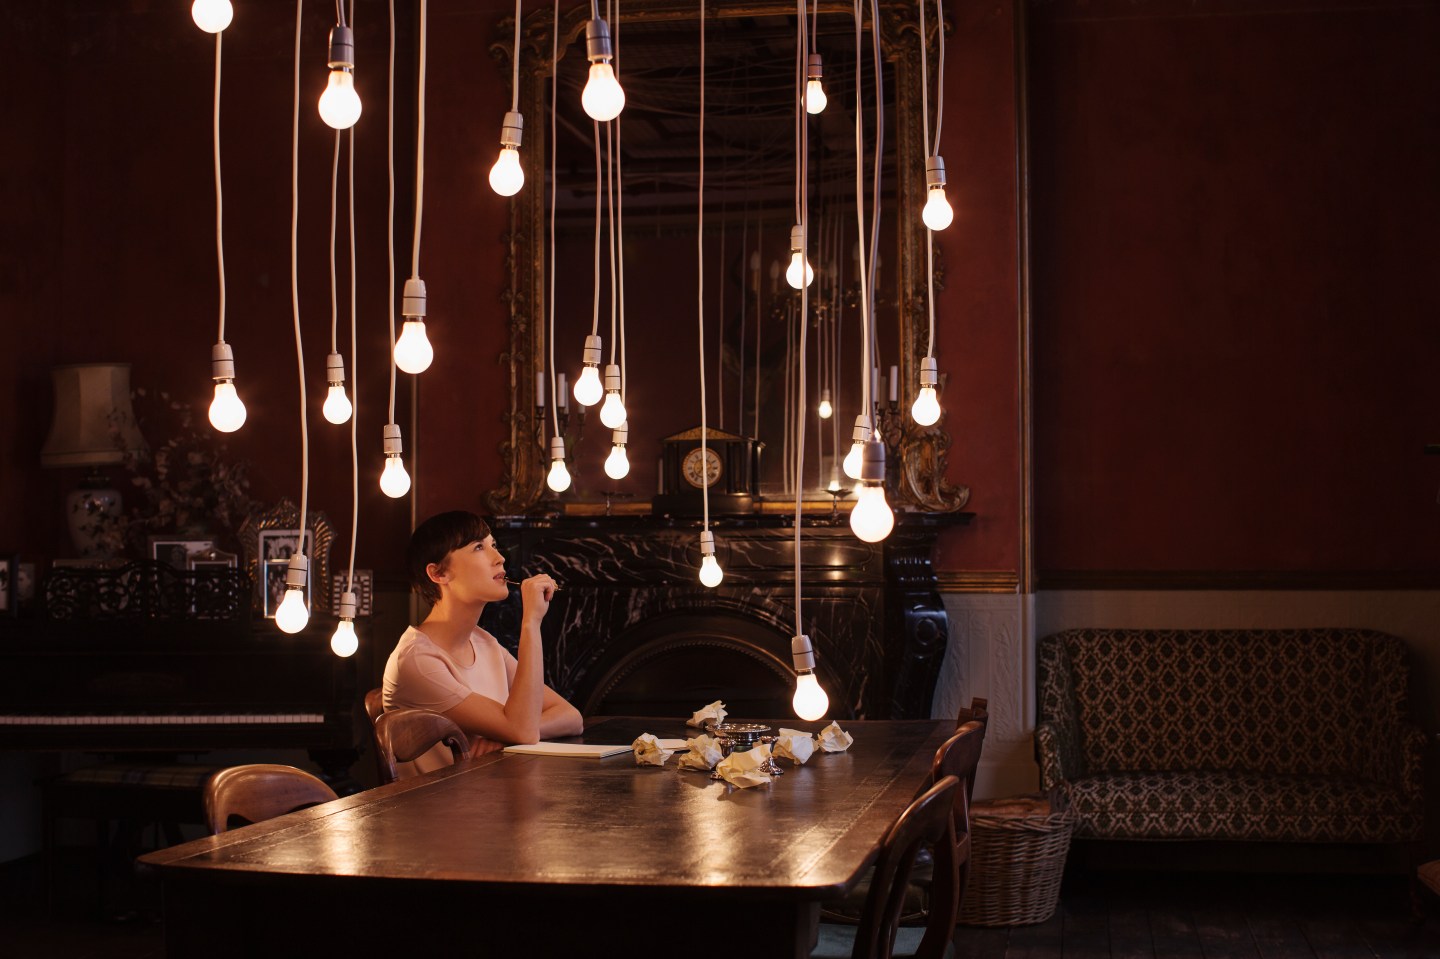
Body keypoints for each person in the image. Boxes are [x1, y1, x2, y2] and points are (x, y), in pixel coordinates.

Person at [382, 511, 583, 767]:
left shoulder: (484, 643)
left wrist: (504, 736)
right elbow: (523, 731)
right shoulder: (417, 660)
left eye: (493, 545)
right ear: (439, 574)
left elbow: (571, 717)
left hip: (494, 787)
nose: (500, 558)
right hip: (446, 794)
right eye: (479, 547)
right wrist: (531, 622)